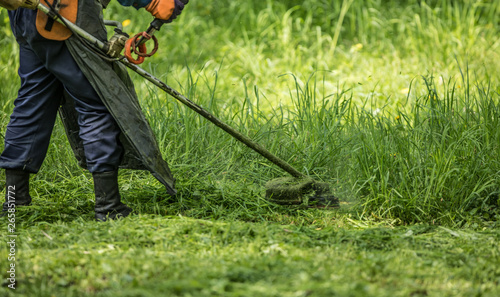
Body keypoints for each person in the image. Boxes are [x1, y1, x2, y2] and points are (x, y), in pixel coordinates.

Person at [0, 0, 187, 221]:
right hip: (62, 12)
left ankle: (14, 202)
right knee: (97, 103)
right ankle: (108, 207)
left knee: (32, 103)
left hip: (27, 16)